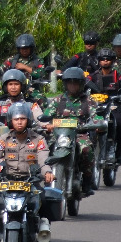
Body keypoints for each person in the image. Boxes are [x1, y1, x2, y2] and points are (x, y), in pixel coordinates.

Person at [0, 101, 57, 242]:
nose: (19, 122)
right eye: (16, 119)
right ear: (10, 121)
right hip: (7, 182)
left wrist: (48, 172)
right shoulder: (4, 139)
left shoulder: (38, 139)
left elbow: (44, 159)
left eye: (23, 118)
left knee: (44, 201)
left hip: (31, 181)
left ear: (28, 120)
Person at [44, 66, 102, 196]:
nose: (72, 85)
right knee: (44, 150)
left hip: (79, 134)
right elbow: (47, 115)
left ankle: (87, 182)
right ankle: (43, 180)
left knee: (87, 150)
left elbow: (96, 116)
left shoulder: (88, 100)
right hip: (59, 135)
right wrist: (46, 124)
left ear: (81, 84)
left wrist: (97, 122)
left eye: (75, 82)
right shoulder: (58, 100)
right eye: (69, 82)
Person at [89, 47, 121, 164]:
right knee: (84, 125)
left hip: (114, 106)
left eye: (108, 59)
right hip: (95, 107)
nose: (105, 61)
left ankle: (119, 152)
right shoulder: (93, 76)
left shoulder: (119, 76)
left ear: (112, 61)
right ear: (99, 60)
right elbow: (84, 85)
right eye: (102, 59)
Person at [0, 69, 42, 137]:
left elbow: (39, 116)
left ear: (22, 86)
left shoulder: (30, 103)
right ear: (6, 87)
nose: (13, 87)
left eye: (16, 84)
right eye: (10, 84)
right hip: (3, 140)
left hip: (26, 140)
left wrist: (46, 125)